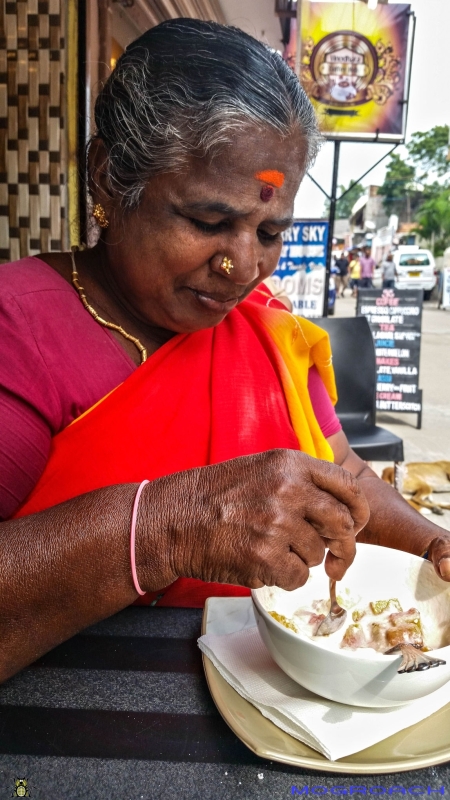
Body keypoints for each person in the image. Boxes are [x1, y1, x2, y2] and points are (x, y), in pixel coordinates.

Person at [1, 19, 449, 685]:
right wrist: (165, 528)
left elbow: (342, 478)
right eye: (208, 222)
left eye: (269, 230)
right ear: (106, 178)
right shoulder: (21, 328)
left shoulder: (265, 329)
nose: (242, 265)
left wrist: (432, 547)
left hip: (277, 699)